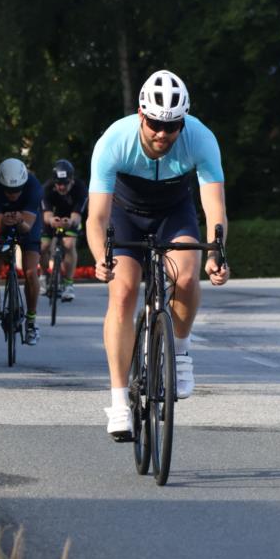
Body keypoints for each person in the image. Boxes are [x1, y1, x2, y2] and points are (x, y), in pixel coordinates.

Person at [86, 70, 230, 440]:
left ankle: (179, 354)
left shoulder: (201, 138)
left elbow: (215, 209)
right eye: (154, 124)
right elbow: (97, 217)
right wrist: (99, 256)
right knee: (123, 292)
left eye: (172, 126)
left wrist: (217, 253)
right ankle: (119, 402)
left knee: (186, 274)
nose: (163, 134)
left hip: (172, 213)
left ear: (183, 122)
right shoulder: (114, 141)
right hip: (124, 214)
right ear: (140, 115)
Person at [0, 158, 43, 346]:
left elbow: (27, 227)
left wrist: (19, 221)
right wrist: (4, 221)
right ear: (0, 185)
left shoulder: (33, 186)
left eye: (17, 190)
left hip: (27, 223)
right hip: (1, 221)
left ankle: (31, 322)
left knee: (31, 273)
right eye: (9, 191)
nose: (13, 195)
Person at [40, 159, 88, 301]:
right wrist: (52, 221)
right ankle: (43, 276)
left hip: (71, 217)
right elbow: (46, 214)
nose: (61, 187)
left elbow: (77, 216)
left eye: (65, 183)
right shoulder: (46, 189)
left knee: (68, 244)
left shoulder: (80, 188)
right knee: (44, 246)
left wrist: (70, 222)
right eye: (59, 184)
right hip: (51, 218)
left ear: (72, 180)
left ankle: (68, 284)